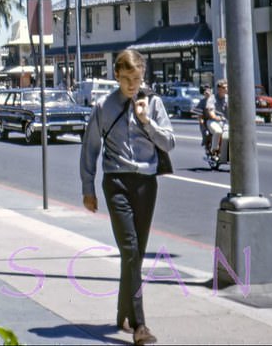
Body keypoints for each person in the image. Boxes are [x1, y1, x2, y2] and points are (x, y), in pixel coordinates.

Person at [80, 49, 175, 346]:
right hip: (116, 181)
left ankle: (122, 311)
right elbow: (90, 149)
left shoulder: (154, 103)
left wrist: (146, 121)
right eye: (126, 79)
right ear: (116, 76)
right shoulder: (104, 106)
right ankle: (139, 324)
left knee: (133, 255)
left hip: (146, 183)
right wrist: (88, 188)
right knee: (131, 249)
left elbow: (169, 143)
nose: (132, 85)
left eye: (137, 78)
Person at [202, 79, 229, 159]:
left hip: (226, 122)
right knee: (218, 131)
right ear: (219, 89)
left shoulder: (228, 98)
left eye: (227, 87)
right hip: (213, 121)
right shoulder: (212, 98)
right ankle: (213, 150)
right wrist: (215, 117)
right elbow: (210, 111)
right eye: (224, 87)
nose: (226, 89)